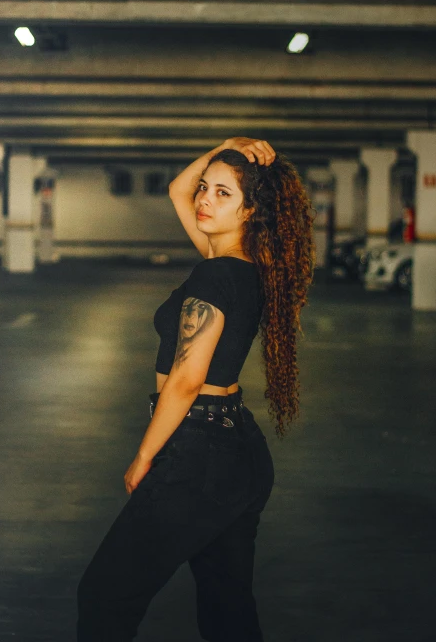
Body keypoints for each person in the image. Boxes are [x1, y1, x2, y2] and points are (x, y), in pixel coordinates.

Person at [76, 136, 316, 641]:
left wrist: (145, 455)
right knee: (227, 608)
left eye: (223, 194)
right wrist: (227, 146)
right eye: (207, 188)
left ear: (251, 210)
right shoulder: (250, 268)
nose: (203, 199)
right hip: (239, 454)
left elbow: (186, 380)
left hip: (199, 453)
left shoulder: (214, 275)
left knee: (105, 593)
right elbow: (176, 189)